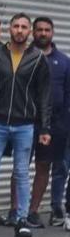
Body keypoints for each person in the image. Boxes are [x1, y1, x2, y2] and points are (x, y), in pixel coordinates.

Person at [0, 13, 50, 236]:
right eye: (15, 26)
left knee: (22, 173)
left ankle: (22, 219)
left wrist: (44, 128)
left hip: (25, 124)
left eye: (24, 27)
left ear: (29, 32)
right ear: (10, 29)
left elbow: (44, 96)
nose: (19, 30)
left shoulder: (37, 58)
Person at [42, 17, 70, 226]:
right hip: (29, 120)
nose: (43, 33)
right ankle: (53, 208)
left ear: (52, 33)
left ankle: (60, 208)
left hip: (60, 122)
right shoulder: (28, 57)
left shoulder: (64, 61)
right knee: (25, 168)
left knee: (61, 165)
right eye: (39, 29)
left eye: (47, 30)